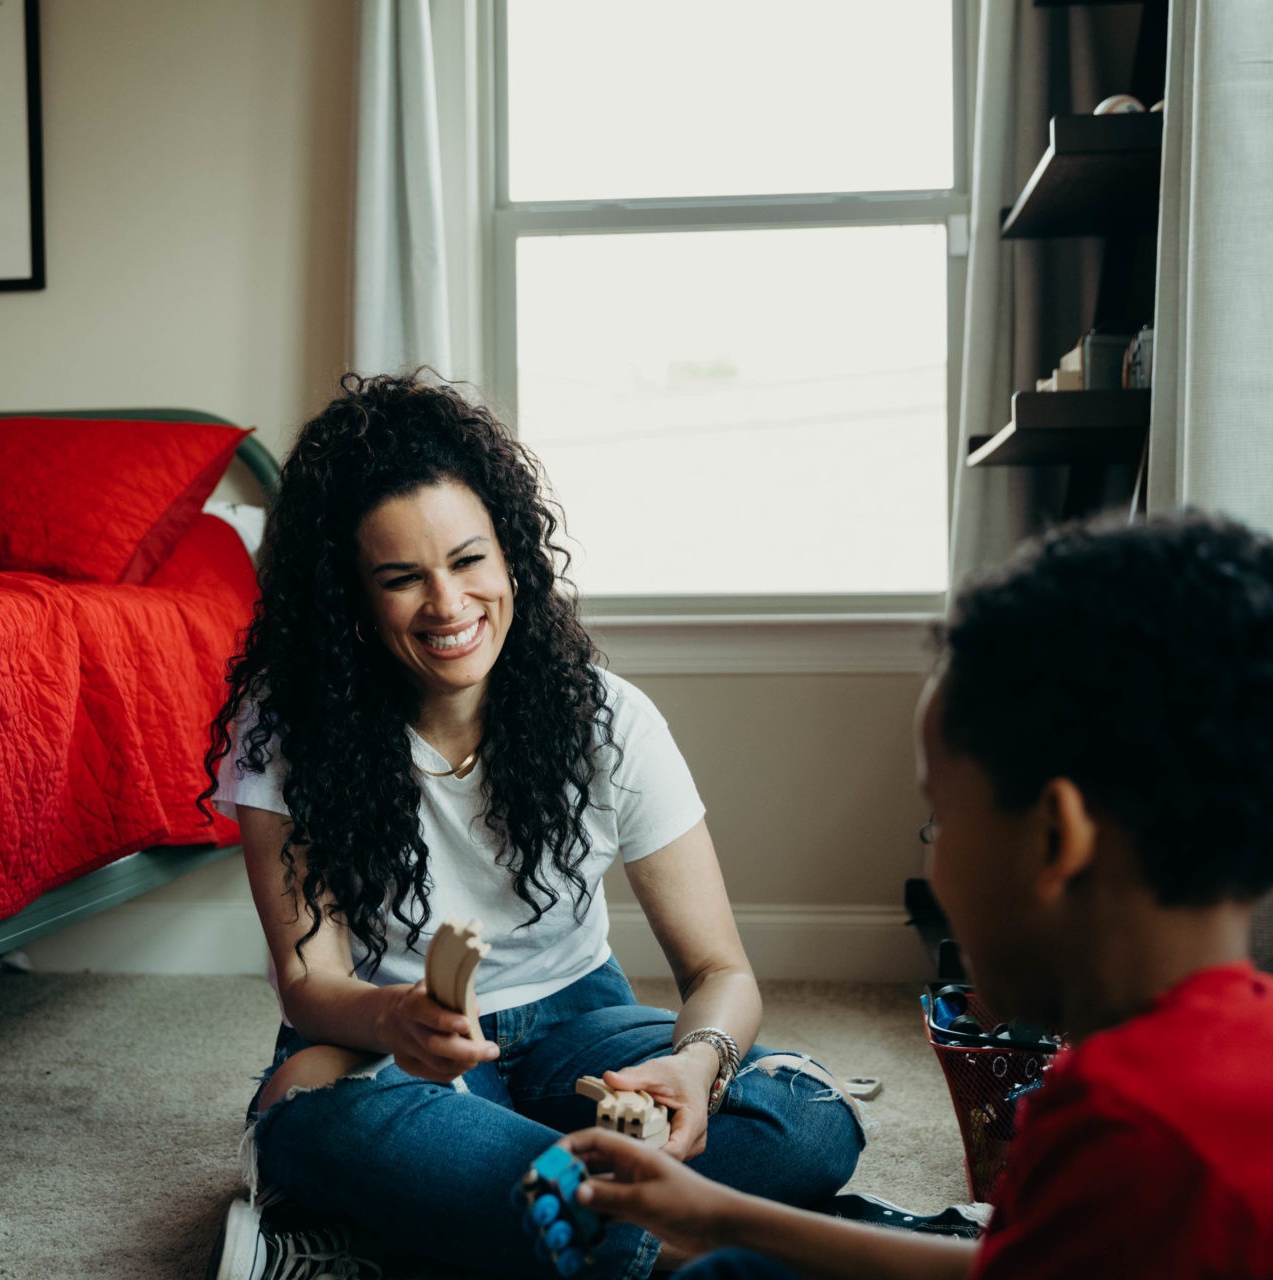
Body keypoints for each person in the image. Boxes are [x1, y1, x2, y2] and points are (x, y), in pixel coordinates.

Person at [562, 512, 1273, 1280]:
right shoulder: (1241, 1050)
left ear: (1056, 839)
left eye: (939, 822)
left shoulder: (1132, 1133)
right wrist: (715, 1215)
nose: (935, 870)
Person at [203, 372, 866, 1280]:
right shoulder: (288, 729)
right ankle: (678, 1237)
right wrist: (399, 1016)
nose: (449, 605)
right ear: (351, 603)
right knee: (316, 1117)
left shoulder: (608, 719)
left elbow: (720, 973)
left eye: (469, 561)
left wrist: (697, 1067)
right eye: (402, 579)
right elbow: (307, 983)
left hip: (578, 1029)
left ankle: (451, 1232)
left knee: (809, 1120)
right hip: (384, 1042)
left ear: (511, 554)